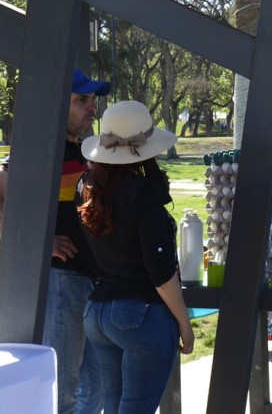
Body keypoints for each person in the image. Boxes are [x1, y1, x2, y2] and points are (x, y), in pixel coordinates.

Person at [76, 100, 194, 413]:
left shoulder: (87, 189)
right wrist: (185, 322)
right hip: (138, 315)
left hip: (98, 312)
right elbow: (160, 272)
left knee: (113, 405)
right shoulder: (143, 194)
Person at [32, 69, 111, 414]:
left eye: (93, 100)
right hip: (62, 282)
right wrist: (40, 243)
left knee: (97, 389)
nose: (91, 107)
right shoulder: (41, 150)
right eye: (82, 100)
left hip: (93, 283)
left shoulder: (83, 150)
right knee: (62, 392)